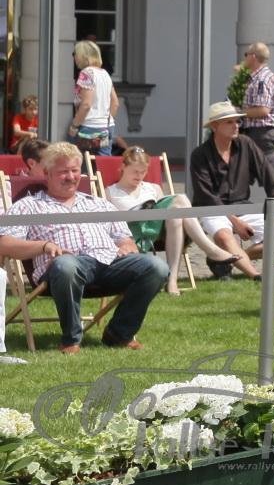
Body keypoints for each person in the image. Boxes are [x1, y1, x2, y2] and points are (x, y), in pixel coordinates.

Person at [0, 142, 167, 353]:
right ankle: (71, 339)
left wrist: (126, 245)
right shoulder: (29, 206)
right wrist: (43, 246)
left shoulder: (98, 204)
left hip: (110, 264)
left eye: (75, 170)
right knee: (66, 265)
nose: (70, 177)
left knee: (156, 266)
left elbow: (125, 239)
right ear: (47, 173)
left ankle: (119, 334)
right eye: (63, 172)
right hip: (64, 269)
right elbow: (4, 244)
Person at [104, 146, 236, 295]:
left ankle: (172, 281)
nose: (139, 176)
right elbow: (109, 225)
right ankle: (210, 250)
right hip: (132, 235)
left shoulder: (153, 188)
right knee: (180, 200)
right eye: (135, 171)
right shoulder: (110, 192)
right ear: (123, 167)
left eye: (143, 172)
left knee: (177, 213)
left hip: (158, 234)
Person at [188, 101, 274, 280]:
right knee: (224, 237)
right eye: (229, 122)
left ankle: (224, 259)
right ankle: (255, 275)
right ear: (214, 126)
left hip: (243, 206)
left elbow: (267, 174)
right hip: (212, 209)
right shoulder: (199, 155)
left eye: (237, 121)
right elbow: (207, 195)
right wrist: (235, 221)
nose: (236, 125)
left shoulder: (246, 144)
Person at [69, 40, 118, 156]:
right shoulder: (105, 73)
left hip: (89, 127)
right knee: (103, 163)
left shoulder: (86, 73)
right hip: (107, 126)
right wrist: (104, 122)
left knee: (82, 162)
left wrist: (74, 125)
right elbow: (115, 103)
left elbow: (86, 104)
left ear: (82, 55)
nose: (74, 57)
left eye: (75, 53)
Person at [239, 42, 274, 156]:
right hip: (258, 134)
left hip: (260, 134)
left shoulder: (262, 79)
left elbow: (263, 110)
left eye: (246, 54)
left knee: (263, 167)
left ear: (253, 56)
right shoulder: (257, 78)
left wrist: (238, 112)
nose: (245, 58)